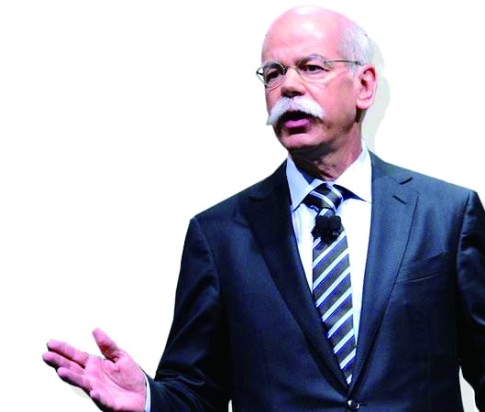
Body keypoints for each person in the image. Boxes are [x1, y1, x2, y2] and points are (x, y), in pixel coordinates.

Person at [43, 6, 485, 411]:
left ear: (364, 85)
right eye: (273, 73)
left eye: (311, 67)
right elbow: (196, 391)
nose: (288, 86)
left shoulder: (447, 215)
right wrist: (150, 401)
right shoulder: (220, 237)